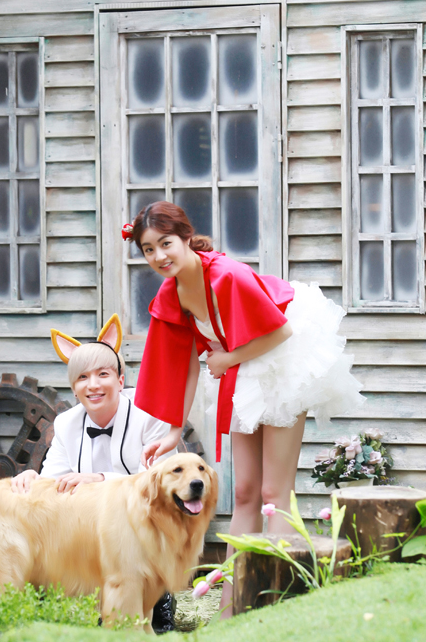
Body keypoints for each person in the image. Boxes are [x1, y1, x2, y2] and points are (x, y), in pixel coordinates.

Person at [124, 201, 365, 618]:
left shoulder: (227, 275)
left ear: (186, 238)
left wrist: (227, 359)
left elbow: (281, 331)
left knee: (274, 492)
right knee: (245, 492)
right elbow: (184, 364)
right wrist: (173, 429)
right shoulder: (173, 292)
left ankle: (277, 603)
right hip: (241, 370)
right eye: (148, 249)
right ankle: (232, 607)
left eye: (165, 243)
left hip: (281, 359)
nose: (159, 256)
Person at [11, 314, 177, 633]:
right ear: (74, 389)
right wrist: (34, 479)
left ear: (120, 380)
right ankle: (106, 598)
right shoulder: (66, 423)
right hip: (100, 525)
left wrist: (100, 479)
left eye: (103, 374)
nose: (93, 385)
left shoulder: (149, 415)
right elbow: (54, 477)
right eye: (83, 377)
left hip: (152, 517)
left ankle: (159, 598)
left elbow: (160, 482)